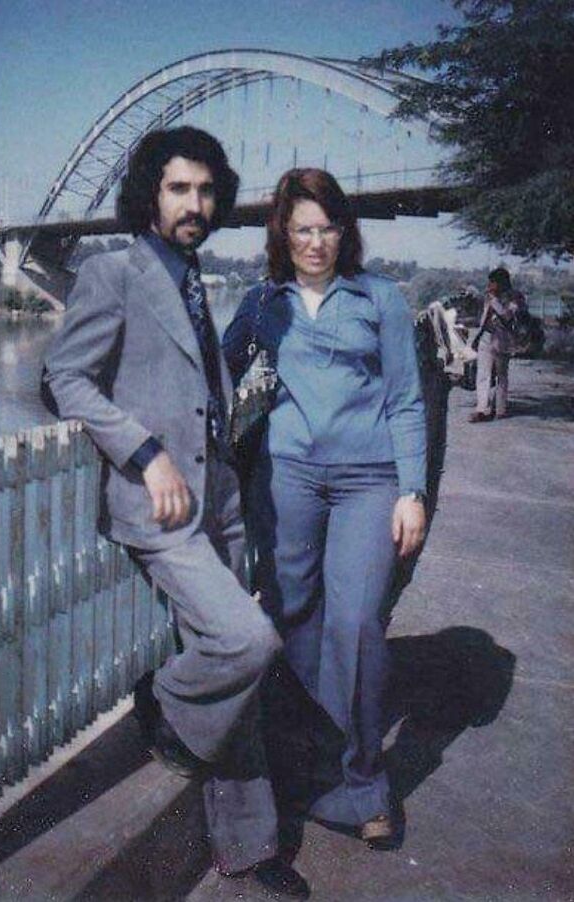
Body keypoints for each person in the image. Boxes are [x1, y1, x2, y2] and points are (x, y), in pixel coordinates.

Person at [42, 127, 309, 898]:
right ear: (149, 195)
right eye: (178, 188)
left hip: (218, 493)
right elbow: (63, 378)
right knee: (246, 641)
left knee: (238, 677)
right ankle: (162, 702)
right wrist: (145, 453)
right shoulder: (113, 272)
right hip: (163, 504)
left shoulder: (190, 275)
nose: (195, 204)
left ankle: (248, 846)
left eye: (205, 190)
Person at [223, 168, 427, 845]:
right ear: (283, 234)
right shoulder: (263, 301)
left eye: (327, 228)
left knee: (358, 623)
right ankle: (310, 766)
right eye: (302, 229)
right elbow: (215, 371)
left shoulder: (379, 298)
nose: (315, 242)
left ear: (345, 231)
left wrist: (412, 491)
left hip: (369, 481)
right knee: (291, 617)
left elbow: (406, 399)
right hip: (288, 480)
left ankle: (364, 784)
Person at [469, 266, 527, 422]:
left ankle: (500, 408)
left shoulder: (514, 297)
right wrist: (477, 337)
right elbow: (483, 318)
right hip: (486, 337)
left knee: (501, 375)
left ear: (501, 283)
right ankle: (482, 409)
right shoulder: (489, 296)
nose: (489, 285)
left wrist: (494, 302)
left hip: (503, 340)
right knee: (483, 374)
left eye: (492, 282)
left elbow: (508, 316)